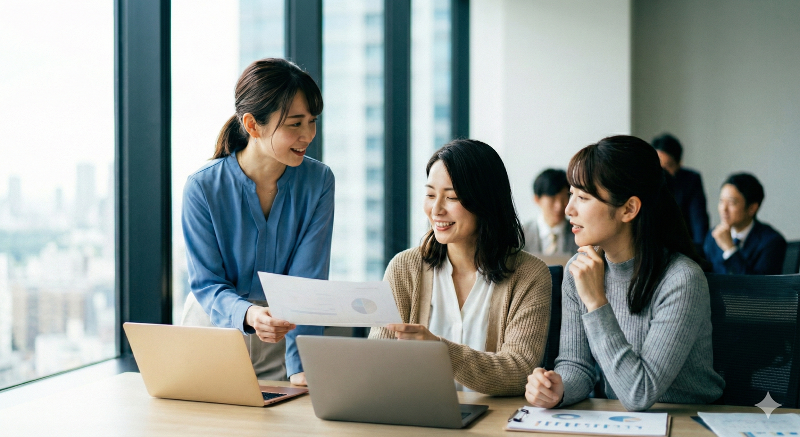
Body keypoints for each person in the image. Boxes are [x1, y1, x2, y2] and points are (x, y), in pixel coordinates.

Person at [524, 135, 724, 412]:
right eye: (571, 194)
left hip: (689, 421)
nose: (569, 209)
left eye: (582, 197)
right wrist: (558, 388)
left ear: (629, 208)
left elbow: (639, 392)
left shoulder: (681, 279)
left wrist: (596, 303)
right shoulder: (578, 269)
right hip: (619, 420)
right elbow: (576, 365)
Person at [181, 58, 334, 386]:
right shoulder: (203, 187)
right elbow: (207, 283)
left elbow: (307, 282)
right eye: (295, 123)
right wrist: (248, 315)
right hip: (211, 331)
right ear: (252, 125)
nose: (308, 135)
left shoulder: (319, 181)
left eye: (312, 121)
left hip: (283, 333)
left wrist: (301, 365)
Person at [369, 139, 551, 396]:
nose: (436, 209)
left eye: (452, 197)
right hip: (415, 418)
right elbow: (378, 361)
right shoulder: (404, 268)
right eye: (431, 195)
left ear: (484, 202)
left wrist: (440, 351)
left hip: (493, 423)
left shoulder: (529, 275)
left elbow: (520, 370)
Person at [703, 173, 786, 275]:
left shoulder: (771, 242)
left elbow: (758, 287)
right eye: (721, 201)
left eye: (731, 203)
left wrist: (730, 249)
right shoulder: (713, 235)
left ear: (752, 208)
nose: (724, 209)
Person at [652, 133, 709, 249]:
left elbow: (699, 221)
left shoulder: (691, 181)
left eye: (667, 166)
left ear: (679, 163)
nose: (662, 172)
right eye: (658, 166)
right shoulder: (647, 181)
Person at [522, 169, 579, 256]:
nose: (559, 206)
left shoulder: (579, 233)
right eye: (552, 199)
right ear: (537, 199)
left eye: (564, 199)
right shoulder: (521, 235)